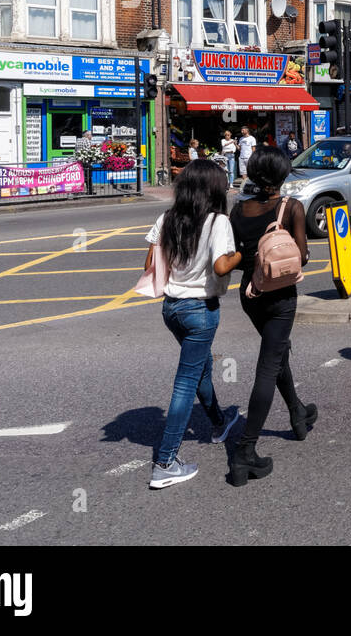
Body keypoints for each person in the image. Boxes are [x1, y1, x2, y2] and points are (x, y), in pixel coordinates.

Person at [144, 159, 241, 489]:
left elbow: (151, 263)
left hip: (171, 308)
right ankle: (165, 462)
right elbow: (222, 265)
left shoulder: (167, 218)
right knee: (186, 381)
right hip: (200, 310)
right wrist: (244, 252)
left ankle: (218, 422)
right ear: (213, 189)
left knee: (198, 369)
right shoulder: (218, 222)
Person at [227, 146, 315, 487]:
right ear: (283, 175)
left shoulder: (238, 210)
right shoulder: (291, 207)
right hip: (281, 298)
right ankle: (245, 451)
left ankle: (297, 411)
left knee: (276, 354)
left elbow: (237, 253)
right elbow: (302, 257)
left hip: (250, 294)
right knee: (268, 365)